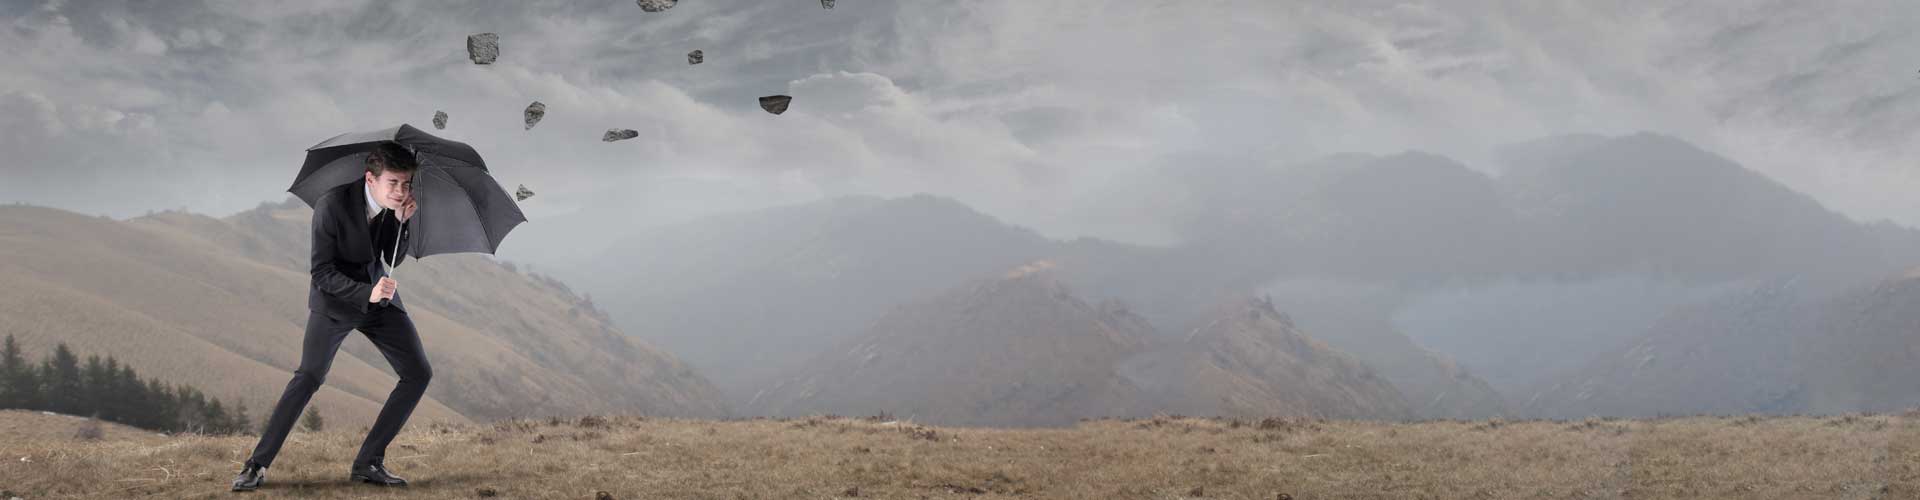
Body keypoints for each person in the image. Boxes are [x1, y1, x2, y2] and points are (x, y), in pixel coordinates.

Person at [233, 141, 428, 491]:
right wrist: (362, 292)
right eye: (393, 184)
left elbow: (391, 256)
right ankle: (256, 465)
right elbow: (321, 271)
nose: (401, 191)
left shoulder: (394, 206)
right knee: (309, 377)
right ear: (371, 179)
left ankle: (369, 462)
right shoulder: (331, 205)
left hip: (379, 300)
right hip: (336, 302)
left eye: (406, 184)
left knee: (418, 373)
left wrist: (402, 222)